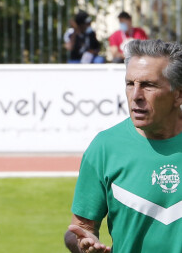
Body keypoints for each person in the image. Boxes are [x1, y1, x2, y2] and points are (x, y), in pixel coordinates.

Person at [65, 39, 182, 252]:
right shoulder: (105, 147)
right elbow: (80, 228)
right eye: (130, 84)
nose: (136, 96)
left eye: (149, 85)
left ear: (178, 94)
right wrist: (84, 244)